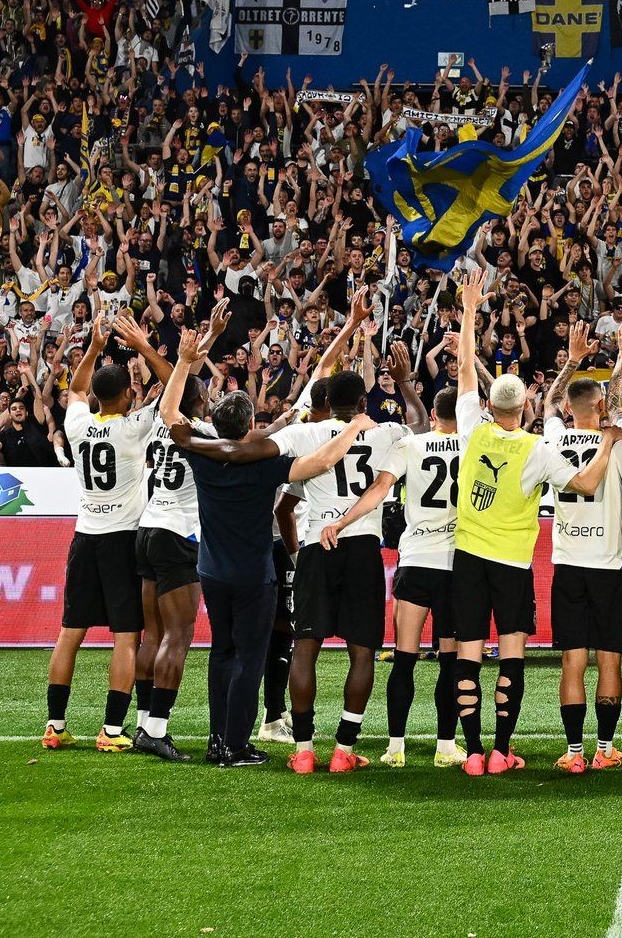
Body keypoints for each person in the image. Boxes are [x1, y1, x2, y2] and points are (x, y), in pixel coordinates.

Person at [161, 330, 379, 767]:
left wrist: (185, 361)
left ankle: (217, 739)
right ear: (249, 426)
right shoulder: (265, 463)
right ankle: (237, 745)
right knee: (250, 657)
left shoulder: (200, 451)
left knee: (221, 653)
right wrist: (354, 426)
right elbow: (320, 462)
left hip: (210, 570)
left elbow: (169, 414)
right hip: (254, 574)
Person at [448, 267, 622, 774]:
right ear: (523, 405)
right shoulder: (538, 449)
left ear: (487, 406)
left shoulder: (472, 431)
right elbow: (588, 484)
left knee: (467, 653)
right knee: (510, 657)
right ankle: (504, 750)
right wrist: (610, 439)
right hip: (512, 562)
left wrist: (467, 311)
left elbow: (463, 372)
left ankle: (475, 754)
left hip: (467, 556)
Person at [269, 295, 412, 774]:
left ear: (325, 401)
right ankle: (344, 750)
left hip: (315, 546)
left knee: (305, 646)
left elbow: (280, 490)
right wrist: (404, 383)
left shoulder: (307, 434)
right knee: (362, 649)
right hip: (362, 546)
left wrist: (350, 327)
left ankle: (305, 750)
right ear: (365, 402)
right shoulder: (387, 432)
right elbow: (417, 427)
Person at [318, 382, 473, 768]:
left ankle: (395, 747)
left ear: (433, 415)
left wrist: (343, 519)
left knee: (404, 658)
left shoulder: (411, 445)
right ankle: (445, 746)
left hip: (416, 558)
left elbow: (380, 487)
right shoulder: (473, 443)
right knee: (450, 660)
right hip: (456, 563)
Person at [541, 324, 622, 774]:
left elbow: (548, 402)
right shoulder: (618, 445)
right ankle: (606, 748)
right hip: (607, 567)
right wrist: (621, 358)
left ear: (569, 409)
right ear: (601, 407)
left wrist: (571, 360)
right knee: (609, 659)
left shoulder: (552, 437)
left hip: (567, 564)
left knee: (573, 659)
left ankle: (574, 751)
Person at [44, 315, 152, 753]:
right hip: (122, 539)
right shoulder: (132, 427)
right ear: (127, 394)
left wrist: (92, 346)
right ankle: (110, 731)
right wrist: (144, 349)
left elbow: (74, 390)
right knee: (126, 635)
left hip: (83, 536)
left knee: (70, 630)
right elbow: (172, 396)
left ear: (94, 398)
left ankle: (54, 725)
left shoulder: (76, 424)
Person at [120, 312, 207, 762]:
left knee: (151, 633)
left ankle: (140, 725)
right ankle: (157, 728)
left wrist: (176, 359)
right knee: (179, 634)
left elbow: (170, 385)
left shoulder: (158, 421)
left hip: (147, 528)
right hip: (176, 535)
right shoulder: (200, 433)